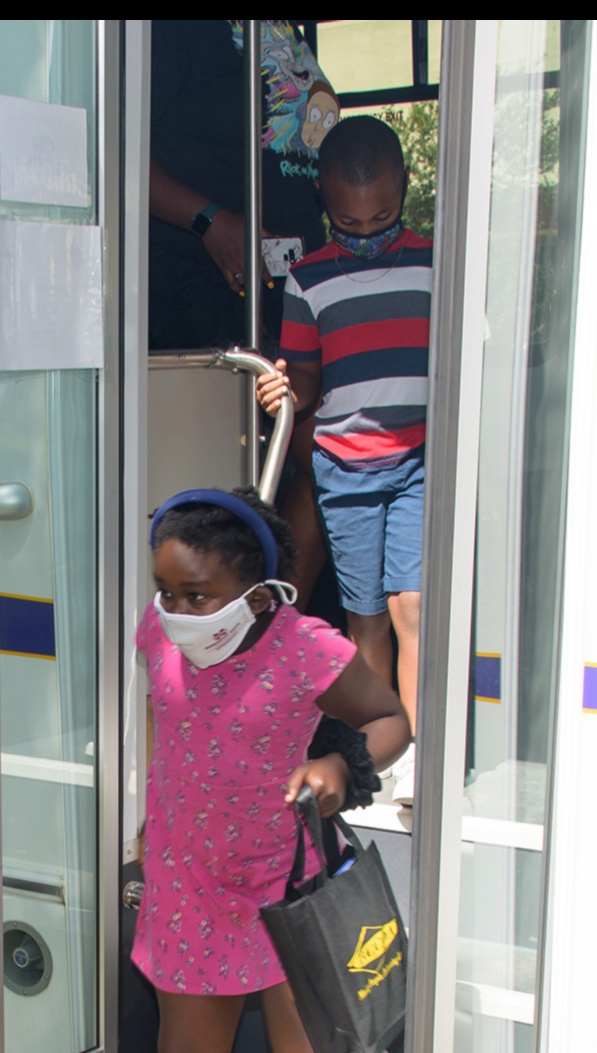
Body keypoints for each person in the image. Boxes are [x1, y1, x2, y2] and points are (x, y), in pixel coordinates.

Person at [128, 486, 410, 1053]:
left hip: (278, 881)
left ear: (256, 591)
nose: (174, 611)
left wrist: (337, 761)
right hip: (186, 876)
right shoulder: (156, 633)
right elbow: (166, 722)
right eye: (166, 590)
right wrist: (150, 820)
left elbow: (392, 717)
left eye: (195, 594)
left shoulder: (307, 650)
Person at [259, 115, 431, 803]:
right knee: (364, 622)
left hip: (418, 460)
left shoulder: (432, 261)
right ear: (326, 209)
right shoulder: (308, 280)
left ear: (405, 194)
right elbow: (303, 379)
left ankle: (418, 752)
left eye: (382, 218)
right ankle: (373, 755)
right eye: (349, 224)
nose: (367, 236)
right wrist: (281, 390)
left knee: (413, 607)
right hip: (344, 470)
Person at [148, 21, 334, 352]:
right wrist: (209, 222)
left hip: (292, 292)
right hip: (210, 297)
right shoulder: (174, 30)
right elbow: (118, 153)